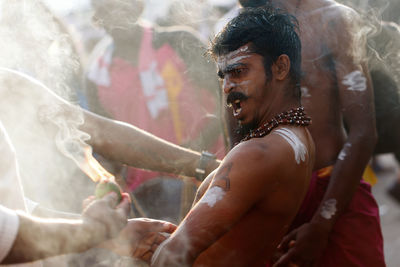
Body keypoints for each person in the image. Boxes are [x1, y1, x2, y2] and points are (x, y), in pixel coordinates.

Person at [151, 7, 315, 266]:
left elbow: (173, 257)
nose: (227, 87)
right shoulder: (298, 136)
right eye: (223, 76)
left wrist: (161, 253)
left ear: (281, 67)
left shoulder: (257, 153)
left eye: (239, 72)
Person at [227, 1, 384, 266]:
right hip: (268, 204)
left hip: (336, 196)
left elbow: (363, 132)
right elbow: (237, 141)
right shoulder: (238, 30)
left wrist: (323, 223)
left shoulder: (333, 20)